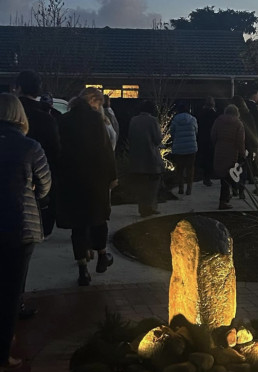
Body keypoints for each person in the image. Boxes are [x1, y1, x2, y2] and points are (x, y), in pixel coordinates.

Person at [0, 93, 51, 372]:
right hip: (19, 225)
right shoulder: (30, 147)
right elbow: (45, 186)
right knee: (11, 291)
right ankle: (3, 353)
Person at [56, 87, 118, 286]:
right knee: (99, 218)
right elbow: (106, 151)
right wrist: (112, 176)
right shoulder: (95, 120)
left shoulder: (64, 120)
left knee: (78, 226)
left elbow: (59, 151)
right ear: (93, 101)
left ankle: (82, 269)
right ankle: (102, 255)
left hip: (72, 180)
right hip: (96, 179)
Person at [16, 71, 60, 240]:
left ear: (19, 88)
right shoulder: (48, 119)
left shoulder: (12, 118)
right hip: (41, 182)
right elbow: (55, 153)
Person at [128, 100, 164, 217]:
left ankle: (142, 208)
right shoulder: (153, 121)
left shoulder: (133, 120)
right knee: (152, 184)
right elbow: (157, 139)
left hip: (136, 157)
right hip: (150, 157)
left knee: (141, 184)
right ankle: (149, 207)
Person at [211, 104, 245, 210]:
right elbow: (240, 140)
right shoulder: (238, 123)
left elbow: (213, 135)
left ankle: (226, 197)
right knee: (228, 175)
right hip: (232, 150)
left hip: (220, 148)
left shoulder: (218, 121)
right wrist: (242, 153)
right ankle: (223, 200)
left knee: (223, 175)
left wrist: (216, 145)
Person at [232, 95, 258, 198]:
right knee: (244, 167)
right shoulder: (248, 115)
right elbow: (253, 131)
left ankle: (234, 187)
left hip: (233, 145)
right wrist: (255, 145)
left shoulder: (231, 118)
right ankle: (241, 190)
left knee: (233, 167)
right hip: (246, 144)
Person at [170, 101, 198, 195]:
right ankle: (189, 188)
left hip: (179, 147)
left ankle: (180, 187)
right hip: (191, 147)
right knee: (190, 168)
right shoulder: (193, 119)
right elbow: (196, 131)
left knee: (180, 168)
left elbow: (172, 133)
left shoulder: (175, 120)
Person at [197, 96, 218, 186]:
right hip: (211, 138)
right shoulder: (214, 114)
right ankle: (208, 176)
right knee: (210, 158)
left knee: (204, 157)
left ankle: (204, 175)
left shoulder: (201, 113)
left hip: (202, 137)